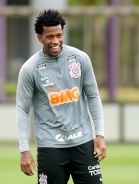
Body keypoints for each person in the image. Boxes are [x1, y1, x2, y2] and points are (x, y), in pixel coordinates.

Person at [16, 9, 106, 184]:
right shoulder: (30, 69)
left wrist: (100, 135)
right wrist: (24, 150)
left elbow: (93, 96)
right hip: (50, 147)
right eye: (49, 37)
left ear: (63, 33)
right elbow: (22, 109)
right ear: (40, 38)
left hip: (83, 144)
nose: (55, 41)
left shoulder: (80, 59)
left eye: (59, 35)